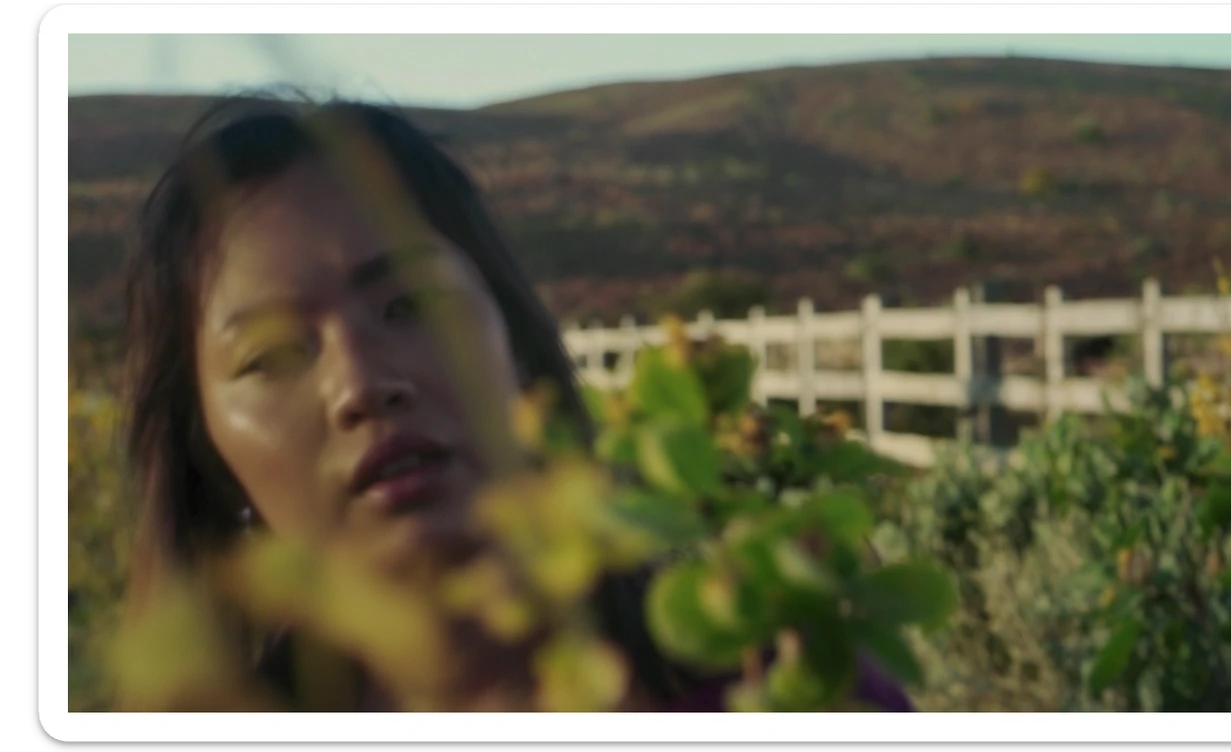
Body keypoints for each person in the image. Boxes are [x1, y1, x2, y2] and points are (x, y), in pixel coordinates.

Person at [116, 91, 914, 712]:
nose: (359, 384)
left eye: (411, 306)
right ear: (209, 461)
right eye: (275, 355)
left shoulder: (786, 689)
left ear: (520, 347)